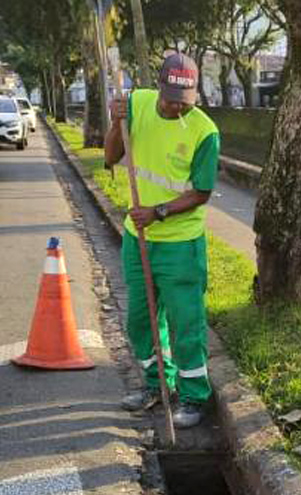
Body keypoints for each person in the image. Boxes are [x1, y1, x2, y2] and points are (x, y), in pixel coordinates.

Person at [105, 54, 221, 429]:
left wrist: (158, 212)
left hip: (181, 244)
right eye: (171, 100)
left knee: (187, 323)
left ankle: (194, 397)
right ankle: (157, 385)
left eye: (184, 102)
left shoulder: (204, 131)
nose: (176, 108)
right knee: (141, 321)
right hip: (137, 238)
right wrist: (117, 122)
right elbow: (111, 156)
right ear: (158, 88)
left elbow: (201, 192)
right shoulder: (135, 103)